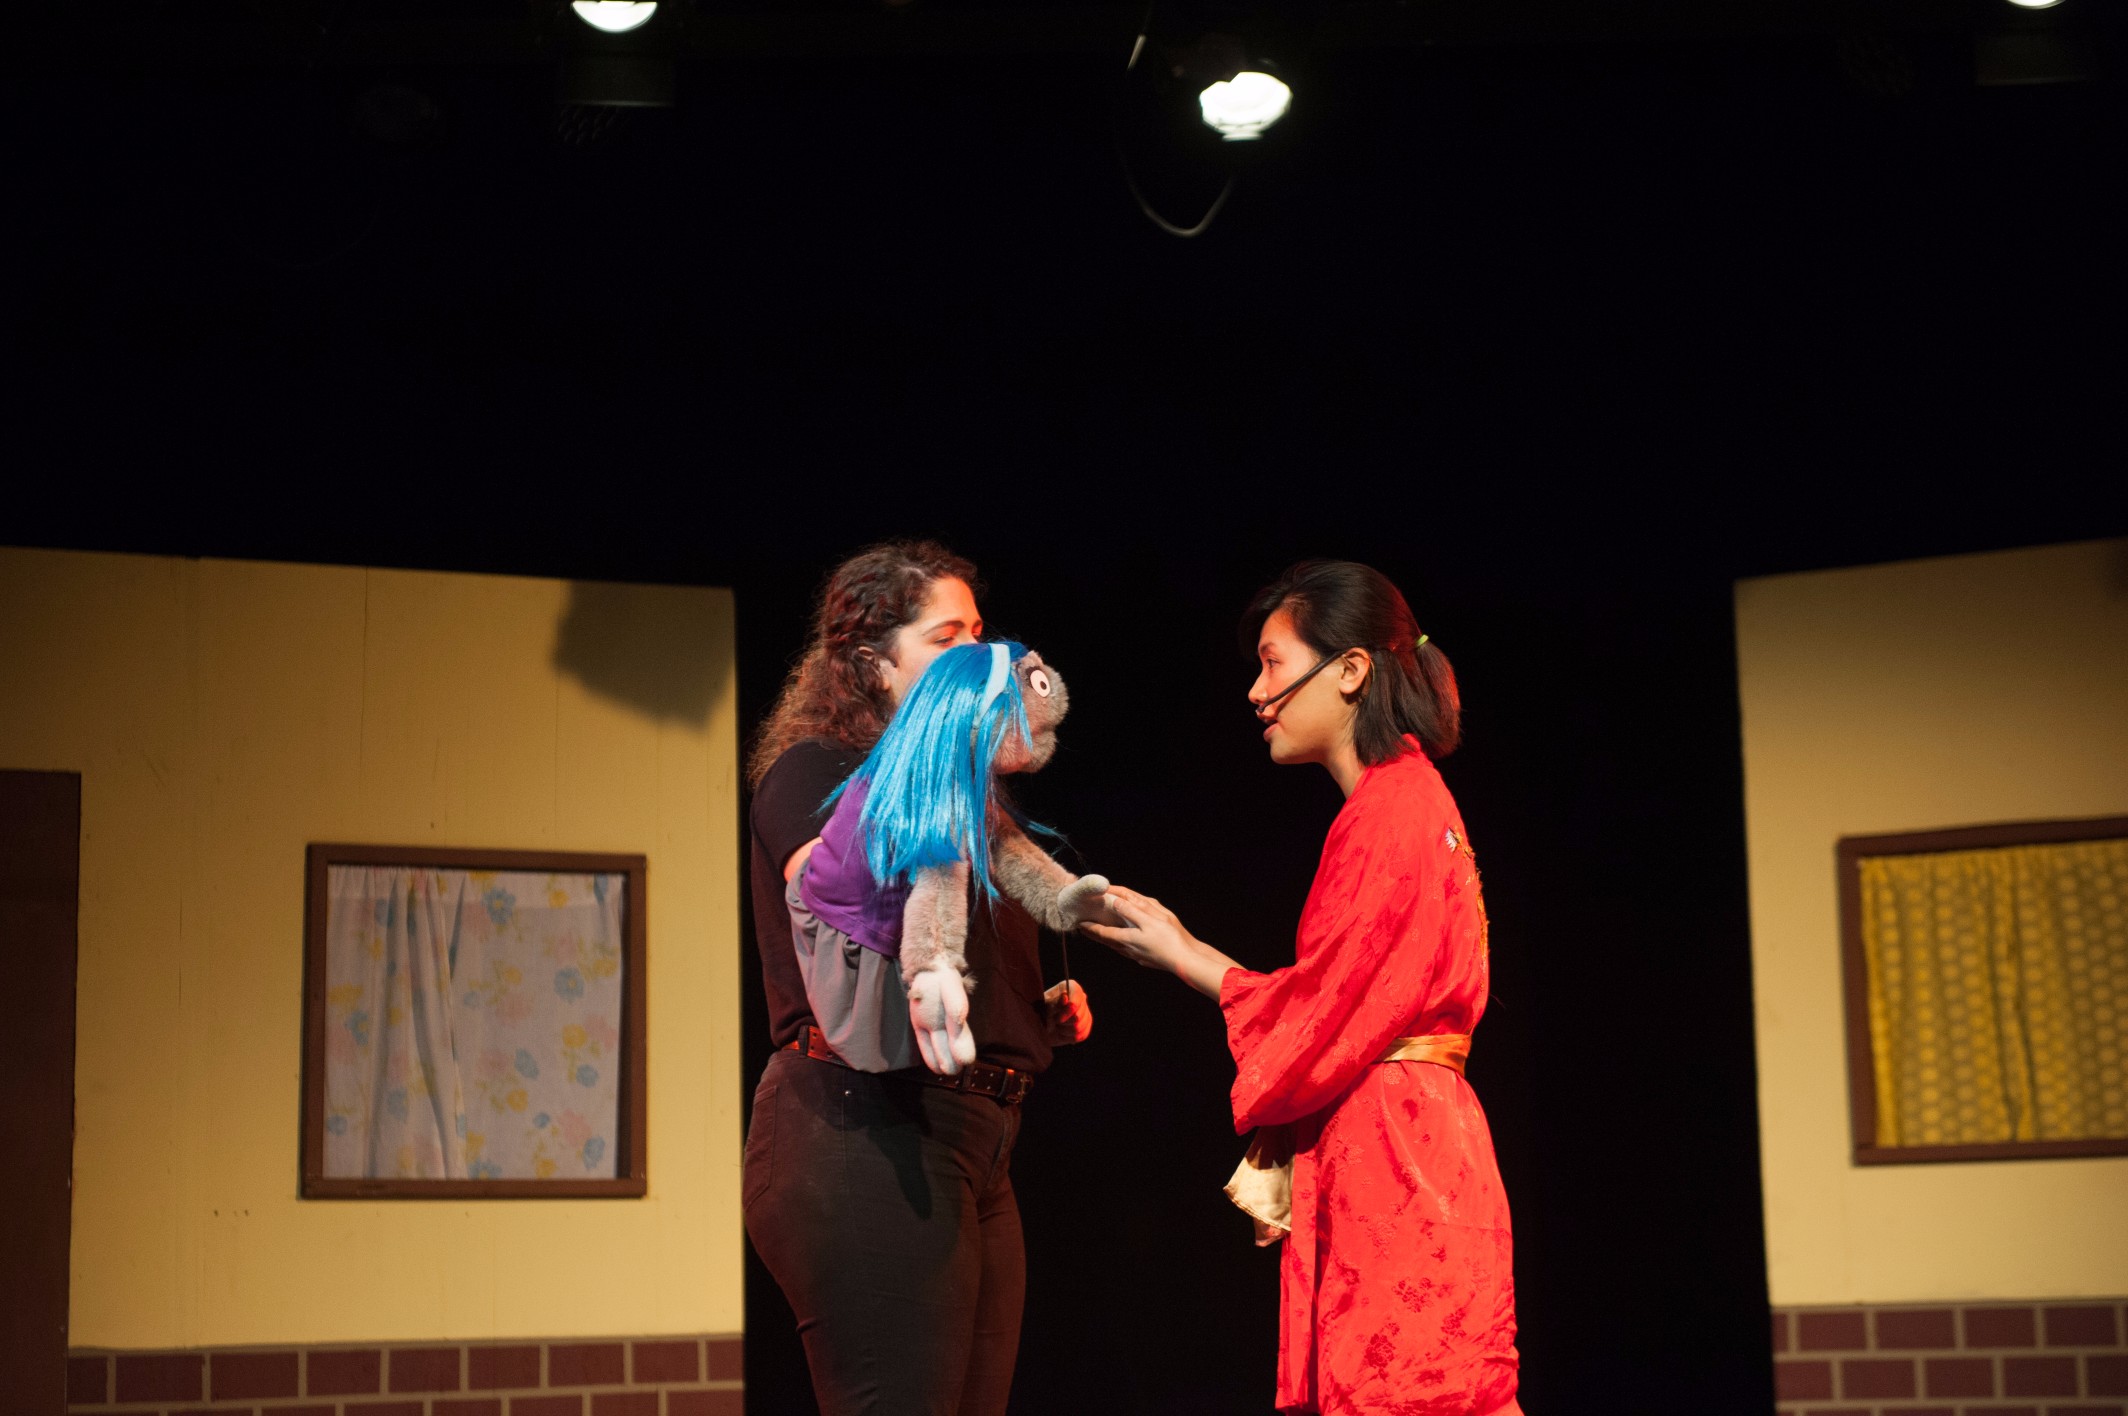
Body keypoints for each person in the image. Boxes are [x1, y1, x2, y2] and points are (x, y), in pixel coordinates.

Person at [1085, 559, 1523, 1416]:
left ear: (1351, 670)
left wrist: (1185, 954)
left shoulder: (1391, 810)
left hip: (1400, 1153)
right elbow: (1339, 995)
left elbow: (1329, 1013)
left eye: (1274, 663)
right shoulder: (1406, 801)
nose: (1257, 692)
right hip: (1419, 1137)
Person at [742, 540, 1092, 1416]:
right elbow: (839, 908)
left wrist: (1024, 1008)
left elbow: (952, 942)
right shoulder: (815, 769)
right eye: (945, 639)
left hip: (975, 1139)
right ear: (872, 666)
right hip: (862, 1124)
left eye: (978, 633)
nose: (975, 656)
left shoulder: (971, 796)